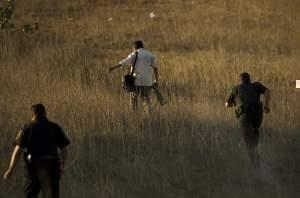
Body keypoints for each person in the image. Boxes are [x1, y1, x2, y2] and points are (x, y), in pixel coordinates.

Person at [3, 104, 70, 198]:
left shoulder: (27, 128)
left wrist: (11, 169)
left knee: (31, 194)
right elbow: (64, 149)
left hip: (33, 167)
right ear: (45, 113)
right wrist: (62, 165)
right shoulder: (55, 127)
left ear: (33, 115)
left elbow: (18, 150)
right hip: (52, 166)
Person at [225, 72, 271, 168]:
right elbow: (267, 91)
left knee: (248, 144)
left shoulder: (236, 89)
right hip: (257, 117)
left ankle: (256, 167)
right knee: (254, 135)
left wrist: (234, 104)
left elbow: (226, 104)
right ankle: (257, 161)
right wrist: (266, 106)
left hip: (244, 117)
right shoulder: (256, 85)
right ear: (250, 79)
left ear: (240, 80)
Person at [109, 40, 159, 111]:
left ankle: (134, 117)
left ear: (134, 47)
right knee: (147, 103)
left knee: (133, 102)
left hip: (136, 82)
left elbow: (124, 62)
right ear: (142, 46)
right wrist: (156, 80)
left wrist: (113, 67)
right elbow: (155, 68)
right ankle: (149, 118)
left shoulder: (134, 54)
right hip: (147, 82)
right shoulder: (150, 55)